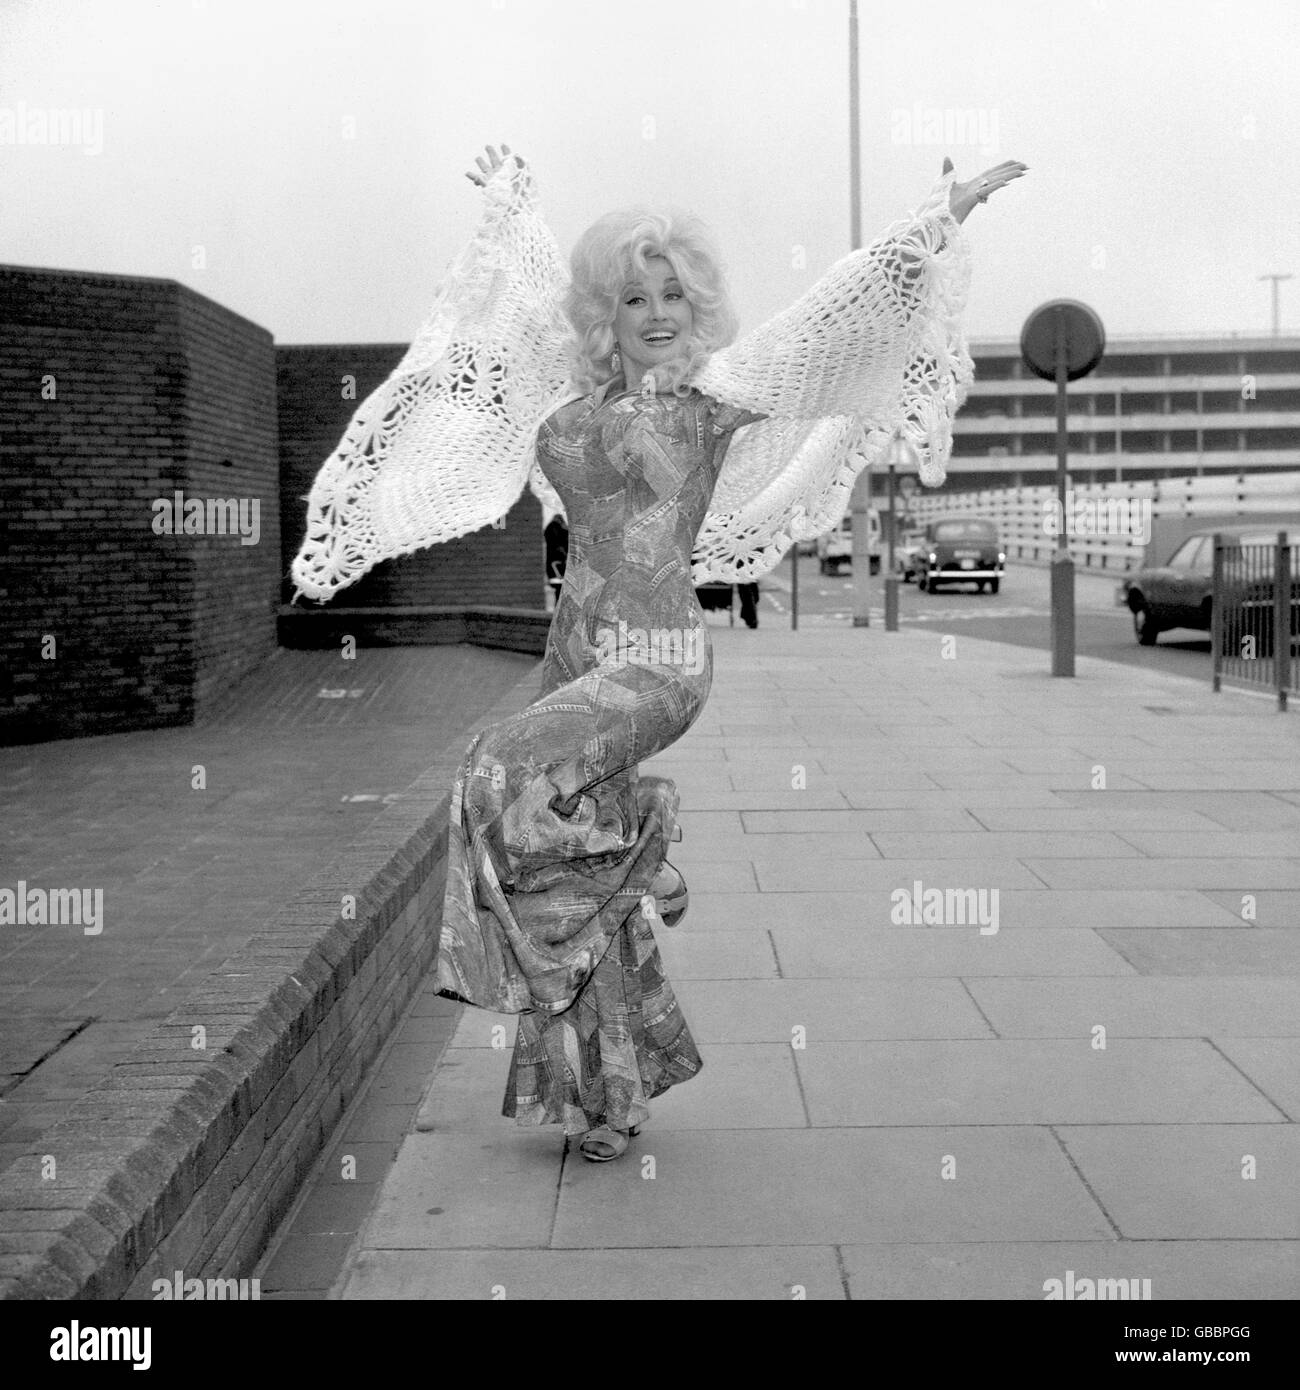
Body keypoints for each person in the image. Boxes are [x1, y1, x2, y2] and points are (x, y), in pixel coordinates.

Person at [291, 142, 1026, 1161]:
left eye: (673, 291)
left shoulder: (713, 404)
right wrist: (511, 208)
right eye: (633, 298)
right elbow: (520, 316)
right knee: (579, 885)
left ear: (699, 304)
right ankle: (608, 1096)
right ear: (608, 318)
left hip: (659, 659)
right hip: (575, 652)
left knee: (494, 772)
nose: (656, 311)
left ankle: (647, 861)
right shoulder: (568, 416)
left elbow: (832, 321)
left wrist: (932, 222)